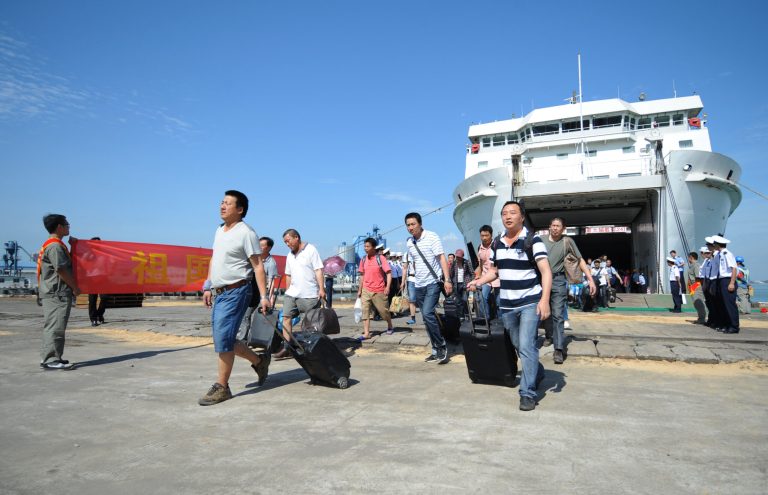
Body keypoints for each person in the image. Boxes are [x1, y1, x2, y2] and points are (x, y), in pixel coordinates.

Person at [467, 201, 552, 411]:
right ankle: (537, 371)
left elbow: (546, 272)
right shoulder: (497, 243)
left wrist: (544, 300)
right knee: (517, 344)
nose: (508, 216)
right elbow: (494, 271)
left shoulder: (533, 241)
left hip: (530, 301)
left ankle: (527, 392)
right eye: (504, 213)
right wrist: (478, 281)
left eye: (513, 213)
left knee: (526, 345)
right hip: (507, 305)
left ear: (522, 217)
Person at [199, 190, 271, 406]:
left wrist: (265, 296)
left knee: (223, 339)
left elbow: (258, 266)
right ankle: (259, 361)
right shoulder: (219, 230)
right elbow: (215, 259)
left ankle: (222, 387)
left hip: (237, 290)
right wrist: (208, 285)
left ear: (240, 210)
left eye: (228, 203)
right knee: (226, 338)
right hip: (219, 291)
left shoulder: (246, 232)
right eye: (221, 202)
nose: (222, 206)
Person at [540, 217, 596, 364]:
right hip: (540, 281)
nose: (555, 228)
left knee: (558, 314)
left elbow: (580, 260)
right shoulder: (540, 240)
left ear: (563, 228)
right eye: (553, 225)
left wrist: (590, 279)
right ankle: (548, 335)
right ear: (549, 227)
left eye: (558, 226)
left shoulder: (567, 241)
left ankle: (558, 349)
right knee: (544, 313)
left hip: (558, 280)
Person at [402, 212, 452, 364]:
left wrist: (447, 279)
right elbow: (414, 262)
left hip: (433, 282)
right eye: (408, 225)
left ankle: (442, 345)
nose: (410, 227)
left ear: (420, 223)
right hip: (419, 284)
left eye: (413, 224)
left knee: (428, 312)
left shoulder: (432, 236)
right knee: (425, 317)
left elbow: (441, 258)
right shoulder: (409, 243)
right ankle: (435, 350)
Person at [38, 214, 81, 370]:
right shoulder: (55, 246)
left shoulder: (55, 245)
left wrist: (73, 247)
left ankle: (54, 356)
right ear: (59, 227)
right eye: (66, 224)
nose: (69, 226)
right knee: (55, 326)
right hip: (57, 293)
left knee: (57, 325)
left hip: (55, 292)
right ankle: (51, 359)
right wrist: (75, 287)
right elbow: (61, 269)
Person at [273, 229, 325, 357]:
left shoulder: (311, 249)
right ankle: (287, 347)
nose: (287, 244)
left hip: (309, 294)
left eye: (288, 241)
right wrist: (287, 290)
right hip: (292, 294)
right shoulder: (290, 255)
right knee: (286, 318)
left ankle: (312, 348)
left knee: (311, 324)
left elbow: (318, 270)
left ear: (296, 237)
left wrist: (322, 289)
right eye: (285, 242)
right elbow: (288, 274)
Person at [357, 237, 394, 339]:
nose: (365, 248)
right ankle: (366, 333)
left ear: (373, 247)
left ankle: (390, 325)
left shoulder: (380, 258)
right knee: (365, 311)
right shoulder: (363, 259)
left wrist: (387, 287)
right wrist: (360, 289)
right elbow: (362, 275)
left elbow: (388, 273)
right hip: (366, 289)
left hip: (379, 290)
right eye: (364, 246)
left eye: (368, 246)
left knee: (384, 312)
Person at [711, 235, 739, 333]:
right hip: (721, 280)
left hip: (727, 280)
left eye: (714, 244)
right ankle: (727, 324)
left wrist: (731, 283)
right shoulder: (719, 255)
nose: (713, 245)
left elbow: (734, 268)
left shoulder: (727, 254)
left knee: (729, 304)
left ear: (718, 244)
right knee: (722, 304)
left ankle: (734, 326)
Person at [475, 225, 501, 320]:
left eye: (486, 235)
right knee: (481, 298)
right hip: (485, 277)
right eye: (482, 235)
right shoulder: (479, 247)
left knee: (499, 302)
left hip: (498, 278)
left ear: (491, 234)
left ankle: (502, 324)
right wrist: (478, 276)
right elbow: (480, 264)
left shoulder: (497, 245)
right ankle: (486, 320)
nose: (484, 238)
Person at [87, 236, 107, 326]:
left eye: (99, 243)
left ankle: (99, 314)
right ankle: (93, 318)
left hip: (102, 278)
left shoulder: (104, 254)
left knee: (105, 297)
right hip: (91, 279)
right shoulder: (88, 254)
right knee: (92, 300)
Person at [449, 248, 473, 319]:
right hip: (456, 284)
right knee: (458, 301)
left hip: (465, 284)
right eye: (457, 256)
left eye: (459, 257)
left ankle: (467, 314)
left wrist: (471, 282)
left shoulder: (467, 262)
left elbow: (472, 273)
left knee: (465, 300)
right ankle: (461, 316)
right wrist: (450, 282)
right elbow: (451, 273)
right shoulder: (454, 263)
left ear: (462, 256)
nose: (458, 258)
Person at [688, 251, 706, 323]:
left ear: (691, 257)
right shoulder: (692, 265)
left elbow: (698, 277)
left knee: (698, 302)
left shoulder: (696, 265)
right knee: (695, 302)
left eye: (689, 257)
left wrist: (694, 287)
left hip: (696, 285)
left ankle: (702, 319)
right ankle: (700, 318)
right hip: (693, 285)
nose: (688, 259)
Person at [402, 250, 418, 325]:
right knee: (412, 300)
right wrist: (402, 282)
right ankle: (413, 318)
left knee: (424, 299)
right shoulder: (407, 254)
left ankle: (427, 318)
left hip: (422, 279)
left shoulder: (421, 251)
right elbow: (404, 269)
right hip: (411, 279)